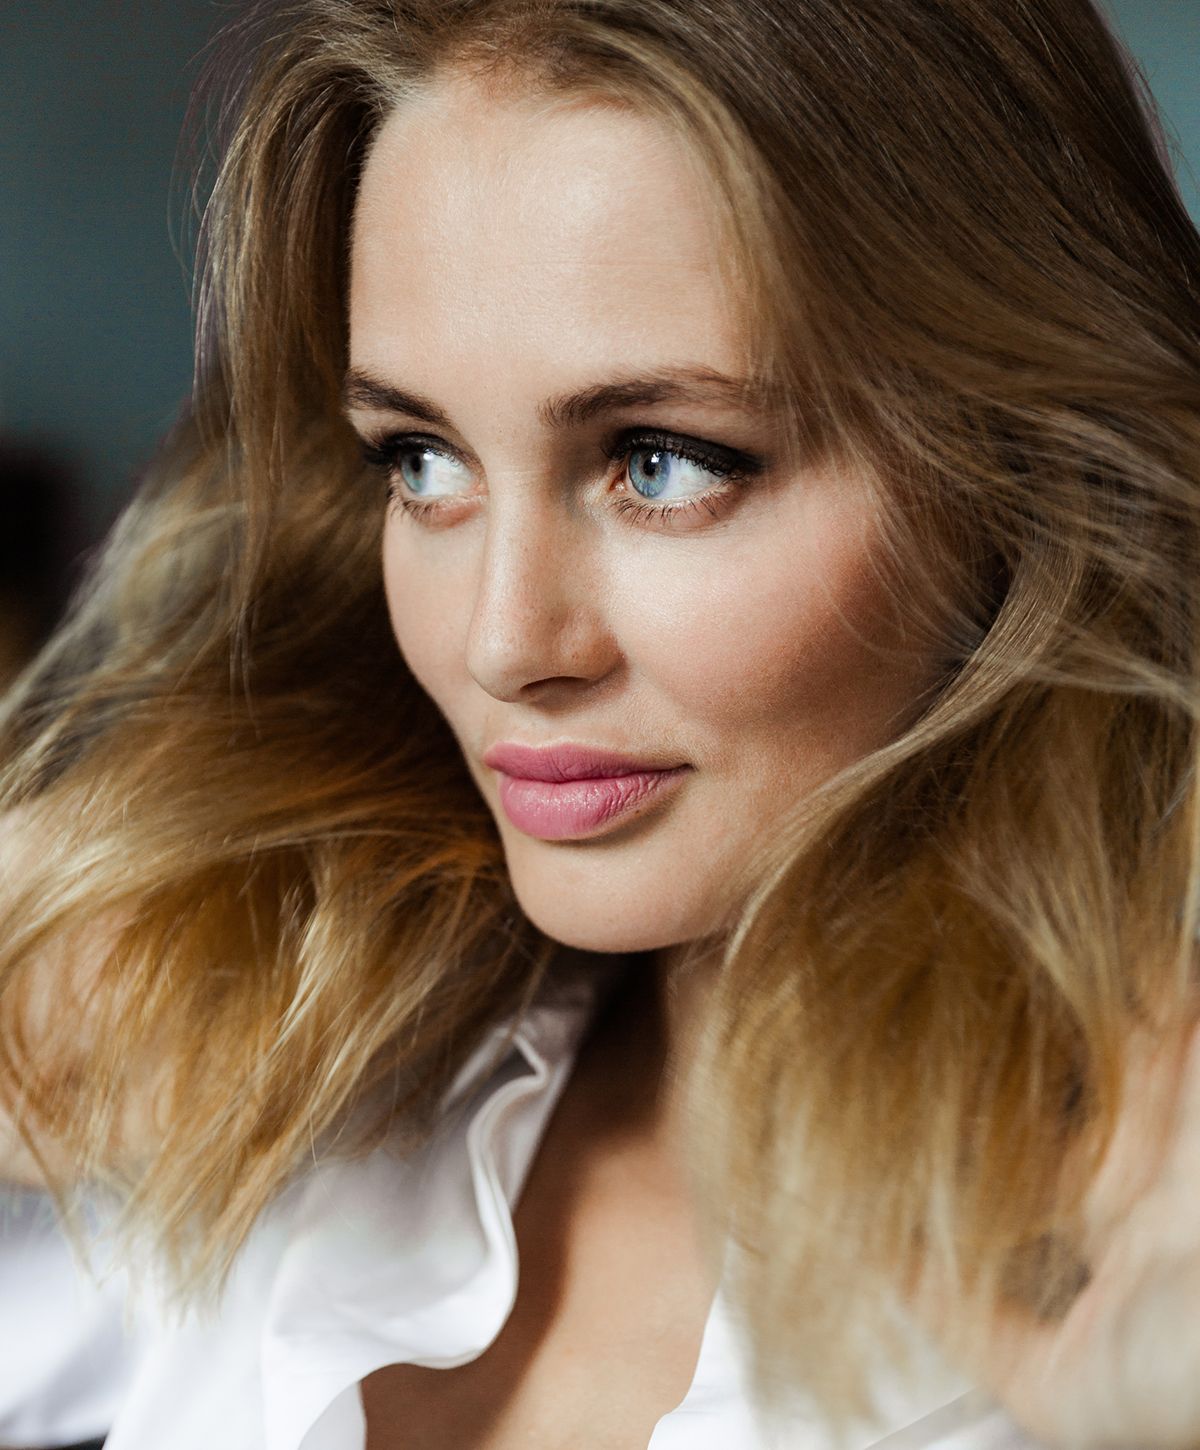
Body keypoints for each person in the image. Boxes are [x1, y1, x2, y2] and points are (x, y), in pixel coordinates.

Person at [2, 0, 1200, 1446]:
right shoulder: (247, 1075)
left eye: (666, 459)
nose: (504, 641)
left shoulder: (1133, 1260)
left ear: (1018, 472)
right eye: (423, 460)